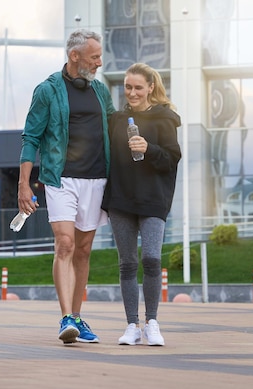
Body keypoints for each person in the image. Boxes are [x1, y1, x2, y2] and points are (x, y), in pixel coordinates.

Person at [16, 29, 116, 344]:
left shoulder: (101, 91)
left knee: (84, 250)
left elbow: (114, 128)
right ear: (75, 56)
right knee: (65, 244)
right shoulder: (47, 90)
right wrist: (23, 185)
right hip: (60, 179)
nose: (100, 62)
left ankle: (78, 317)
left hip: (96, 179)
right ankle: (65, 319)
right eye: (95, 56)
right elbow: (31, 137)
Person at [102, 63, 182, 346]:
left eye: (138, 87)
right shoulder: (117, 119)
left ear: (150, 87)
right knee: (127, 264)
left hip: (153, 200)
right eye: (127, 87)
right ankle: (131, 326)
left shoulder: (165, 118)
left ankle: (152, 323)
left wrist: (149, 149)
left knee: (151, 259)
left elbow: (172, 158)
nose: (132, 93)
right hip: (121, 199)